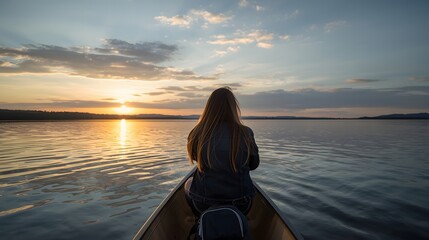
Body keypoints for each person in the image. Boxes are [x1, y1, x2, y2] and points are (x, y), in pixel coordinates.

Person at [184, 87, 259, 215]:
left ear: (209, 108)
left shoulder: (197, 132)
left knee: (187, 184)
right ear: (233, 107)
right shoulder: (246, 133)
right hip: (242, 205)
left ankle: (201, 221)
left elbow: (196, 158)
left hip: (203, 204)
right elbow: (253, 165)